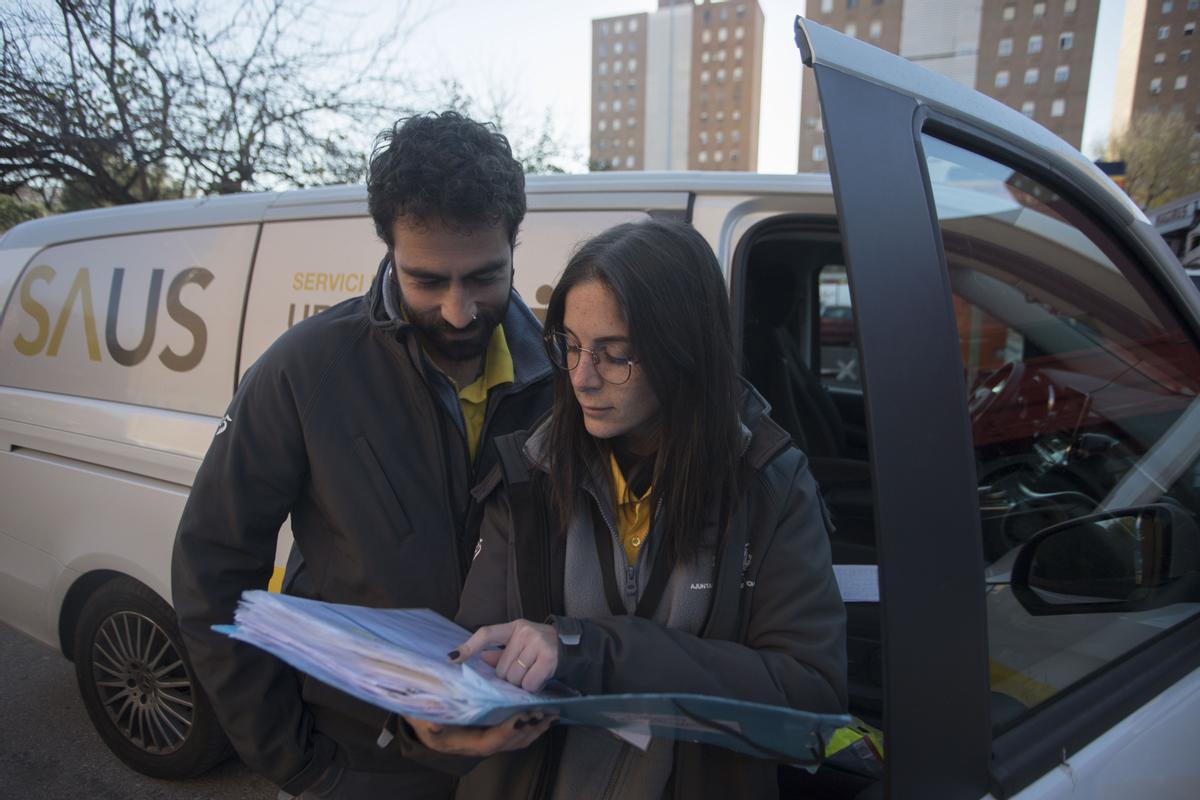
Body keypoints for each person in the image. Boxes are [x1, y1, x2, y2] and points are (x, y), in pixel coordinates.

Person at [171, 112, 553, 799]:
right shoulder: (304, 369)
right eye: (428, 280)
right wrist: (295, 761)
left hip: (524, 760)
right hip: (361, 761)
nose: (459, 311)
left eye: (485, 278)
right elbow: (213, 566)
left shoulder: (565, 376)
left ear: (514, 244)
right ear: (387, 249)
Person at [408, 219, 848, 799]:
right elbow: (472, 649)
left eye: (615, 355)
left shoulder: (769, 486)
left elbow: (809, 697)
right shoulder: (529, 473)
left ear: (683, 353)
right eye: (569, 346)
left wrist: (589, 650)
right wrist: (437, 717)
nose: (582, 378)